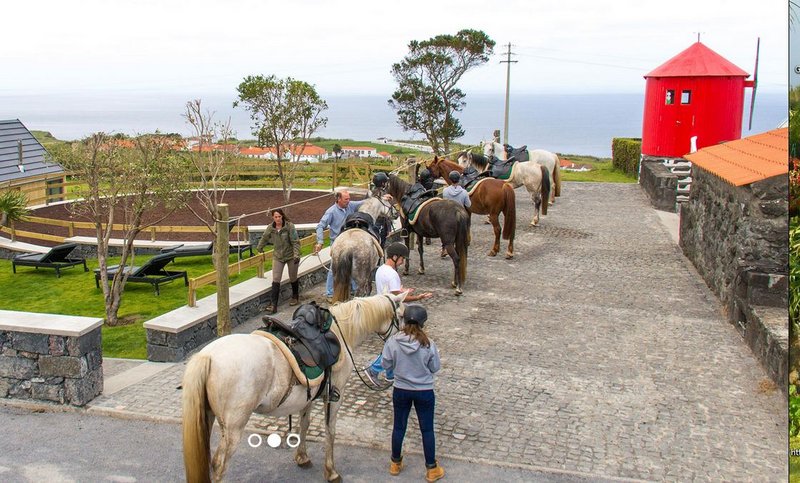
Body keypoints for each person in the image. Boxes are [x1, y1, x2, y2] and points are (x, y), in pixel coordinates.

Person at [381, 304, 444, 481]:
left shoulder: (393, 341)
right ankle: (431, 468)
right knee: (427, 429)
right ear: (423, 323)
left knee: (399, 426)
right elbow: (435, 367)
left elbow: (386, 364)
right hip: (424, 390)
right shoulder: (428, 344)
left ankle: (395, 462)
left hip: (401, 389)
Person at [364, 242, 432, 385]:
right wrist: (418, 297)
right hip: (392, 312)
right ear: (395, 257)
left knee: (391, 343)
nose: (402, 262)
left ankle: (390, 374)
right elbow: (399, 298)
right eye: (401, 259)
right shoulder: (393, 274)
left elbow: (391, 291)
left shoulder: (381, 269)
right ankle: (374, 369)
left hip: (382, 306)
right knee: (395, 344)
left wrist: (402, 290)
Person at [314, 189, 366, 301]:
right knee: (334, 267)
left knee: (352, 264)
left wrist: (378, 197)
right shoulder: (331, 212)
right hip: (337, 243)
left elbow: (362, 202)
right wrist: (320, 241)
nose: (349, 201)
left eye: (349, 198)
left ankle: (353, 289)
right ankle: (330, 293)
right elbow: (320, 226)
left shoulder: (350, 205)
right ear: (338, 199)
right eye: (346, 199)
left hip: (350, 242)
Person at [257, 208, 301, 314]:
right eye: (275, 217)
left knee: (293, 276)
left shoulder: (290, 226)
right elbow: (264, 238)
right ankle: (274, 305)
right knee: (276, 279)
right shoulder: (270, 228)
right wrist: (259, 248)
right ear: (273, 217)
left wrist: (296, 255)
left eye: (279, 217)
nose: (278, 219)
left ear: (282, 216)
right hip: (278, 256)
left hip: (291, 256)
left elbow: (295, 241)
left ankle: (295, 296)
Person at [441, 170, 471, 258]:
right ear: (459, 179)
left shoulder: (445, 191)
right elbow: (469, 205)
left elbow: (444, 202)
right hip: (460, 214)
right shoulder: (464, 192)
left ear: (450, 179)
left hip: (448, 214)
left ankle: (444, 248)